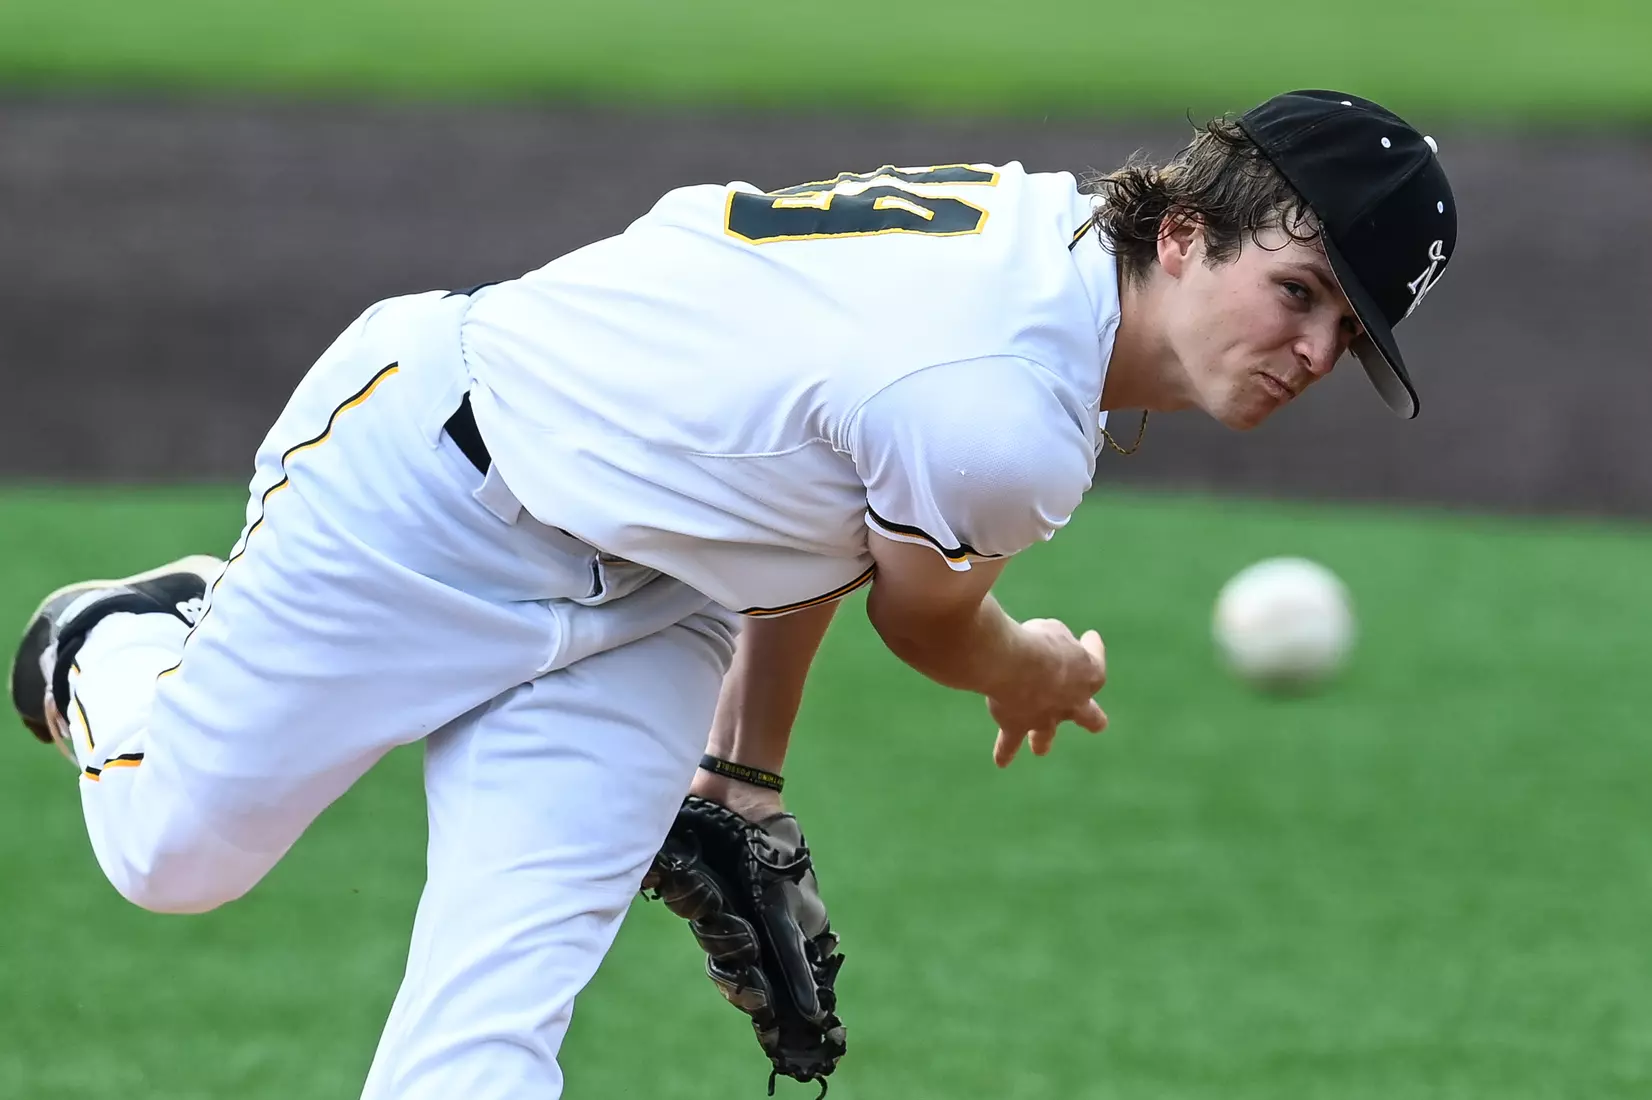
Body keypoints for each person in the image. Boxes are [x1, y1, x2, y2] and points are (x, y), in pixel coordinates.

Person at [10, 89, 1456, 1098]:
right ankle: (120, 638)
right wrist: (1030, 668)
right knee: (172, 855)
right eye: (1301, 291)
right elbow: (924, 618)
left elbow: (807, 498)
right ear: (1190, 231)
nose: (1314, 351)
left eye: (1353, 331)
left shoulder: (1050, 240)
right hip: (426, 489)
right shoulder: (1006, 404)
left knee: (486, 1038)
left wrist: (742, 773)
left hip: (657, 608)